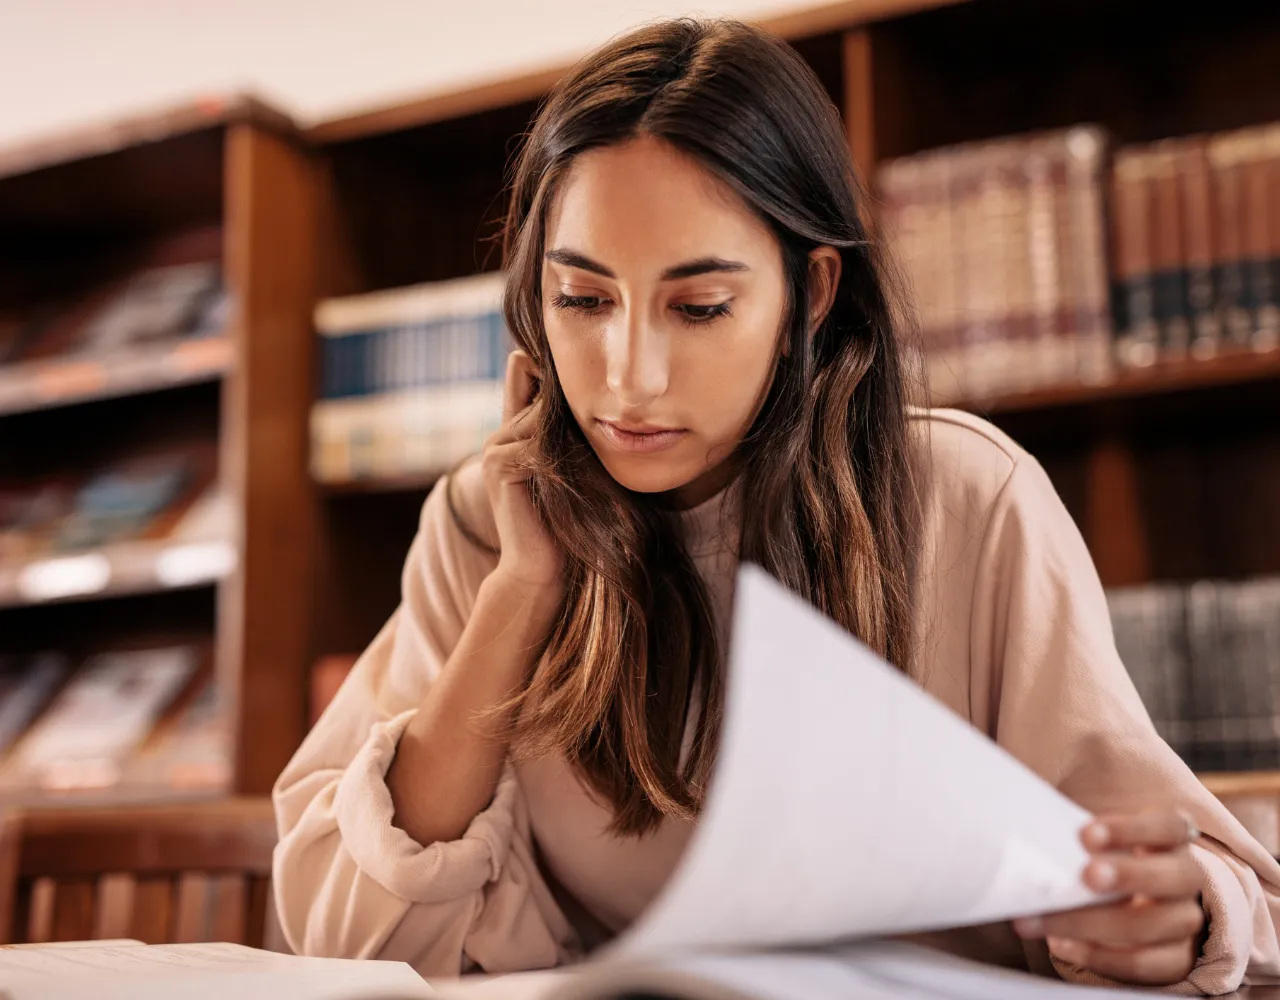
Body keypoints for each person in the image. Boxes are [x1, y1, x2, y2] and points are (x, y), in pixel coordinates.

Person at [272, 16, 1280, 993]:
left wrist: (1170, 916)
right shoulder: (488, 522)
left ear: (808, 295)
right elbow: (353, 933)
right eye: (581, 299)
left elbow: (1214, 891)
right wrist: (520, 593)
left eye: (699, 306)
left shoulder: (967, 500)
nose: (628, 379)